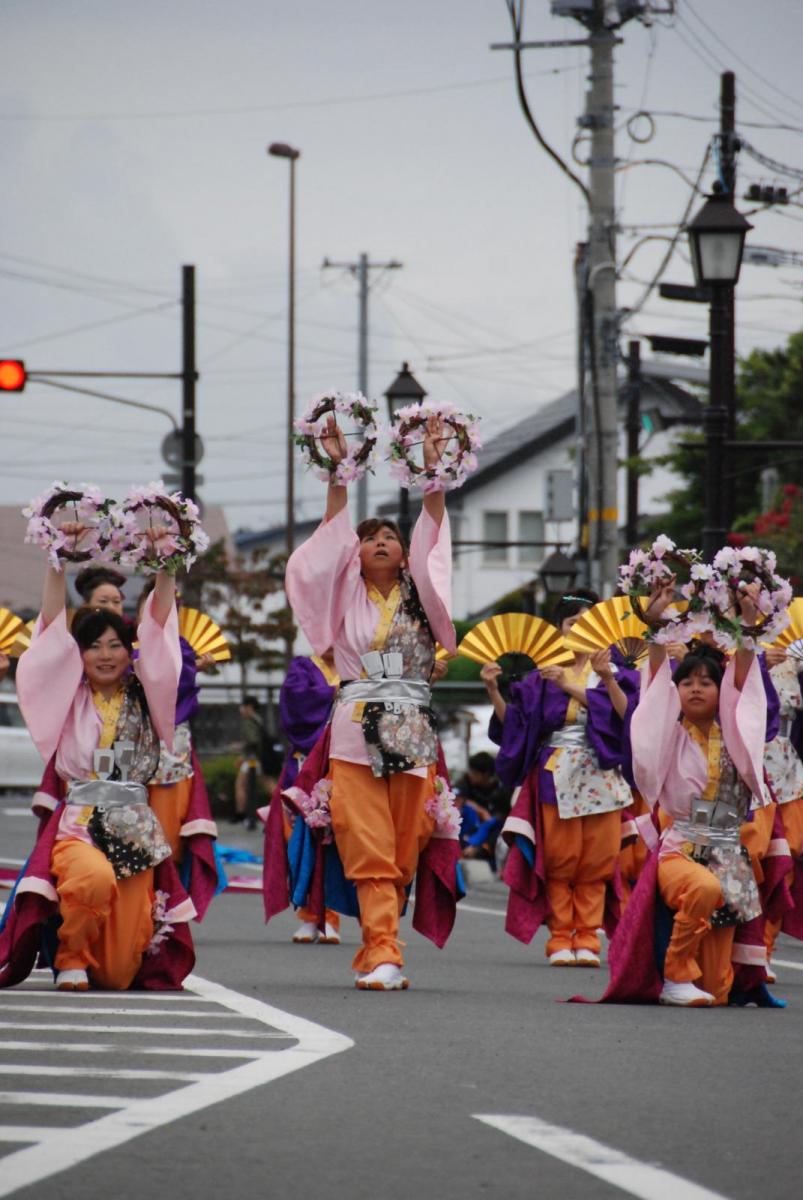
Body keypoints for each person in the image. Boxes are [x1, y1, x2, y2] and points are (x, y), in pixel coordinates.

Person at [283, 411, 460, 991]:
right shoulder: (342, 595)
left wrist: (433, 473)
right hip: (356, 731)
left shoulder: (423, 596)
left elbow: (434, 538)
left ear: (406, 553)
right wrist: (339, 473)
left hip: (411, 730)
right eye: (369, 537)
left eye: (390, 537)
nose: (380, 541)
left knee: (406, 847)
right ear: (353, 555)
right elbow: (331, 537)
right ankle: (383, 951)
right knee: (368, 843)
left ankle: (382, 937)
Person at [0, 522, 196, 992]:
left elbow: (160, 630)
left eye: (115, 646)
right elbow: (50, 633)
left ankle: (93, 954)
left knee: (118, 973)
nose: (105, 655)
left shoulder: (148, 694)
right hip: (79, 821)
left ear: (130, 653)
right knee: (91, 877)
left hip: (134, 825)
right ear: (79, 655)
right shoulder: (66, 695)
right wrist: (57, 559)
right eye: (93, 647)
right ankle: (70, 955)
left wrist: (165, 561)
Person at [621, 578, 769, 1007]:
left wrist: (748, 622)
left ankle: (698, 980)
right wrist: (656, 627)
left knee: (718, 990)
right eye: (687, 682)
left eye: (706, 682)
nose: (696, 688)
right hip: (681, 848)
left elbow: (744, 681)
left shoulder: (735, 731)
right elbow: (654, 690)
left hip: (727, 848)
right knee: (701, 888)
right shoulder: (669, 732)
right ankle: (674, 976)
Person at [484, 589, 637, 968]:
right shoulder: (540, 677)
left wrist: (583, 683)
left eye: (588, 622)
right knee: (560, 859)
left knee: (598, 860)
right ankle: (560, 936)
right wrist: (492, 689)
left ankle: (587, 937)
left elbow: (630, 718)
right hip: (555, 773)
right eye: (572, 623)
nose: (580, 628)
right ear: (558, 629)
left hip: (602, 772)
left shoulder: (616, 672)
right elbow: (515, 728)